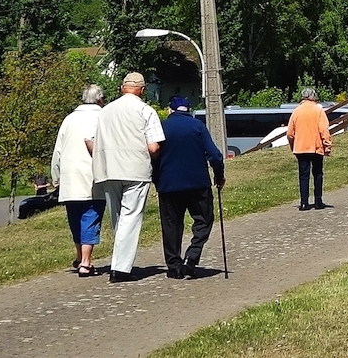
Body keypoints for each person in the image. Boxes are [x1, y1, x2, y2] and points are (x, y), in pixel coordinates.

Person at [91, 72, 164, 283]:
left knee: (118, 218)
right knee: (130, 217)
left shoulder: (105, 111)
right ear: (142, 89)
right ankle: (121, 269)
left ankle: (119, 262)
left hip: (108, 169)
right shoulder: (145, 110)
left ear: (123, 88)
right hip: (135, 169)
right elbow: (153, 146)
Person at [155, 95, 225, 279]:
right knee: (204, 219)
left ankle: (173, 266)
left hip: (168, 184)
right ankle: (191, 257)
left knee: (171, 225)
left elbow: (153, 155)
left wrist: (156, 179)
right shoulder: (197, 126)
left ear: (170, 109)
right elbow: (215, 156)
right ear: (188, 110)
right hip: (197, 184)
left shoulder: (162, 127)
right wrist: (219, 176)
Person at [48, 84, 106, 277]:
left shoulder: (69, 119)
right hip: (93, 176)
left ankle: (80, 257)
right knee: (90, 217)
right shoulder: (103, 117)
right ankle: (85, 263)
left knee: (75, 219)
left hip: (70, 177)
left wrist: (56, 177)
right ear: (100, 99)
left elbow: (58, 151)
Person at [286, 87, 333, 210]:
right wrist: (327, 146)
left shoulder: (296, 112)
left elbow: (290, 133)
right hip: (316, 147)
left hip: (301, 148)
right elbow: (324, 130)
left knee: (303, 175)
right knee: (317, 173)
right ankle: (318, 201)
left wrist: (293, 146)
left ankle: (304, 203)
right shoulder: (318, 111)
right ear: (313, 97)